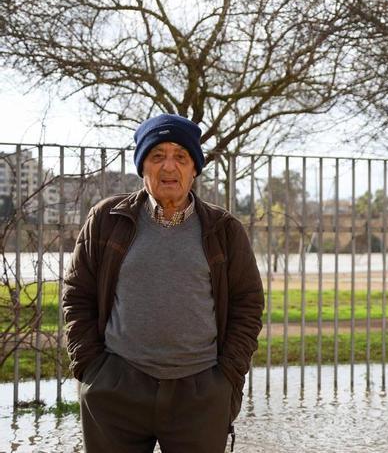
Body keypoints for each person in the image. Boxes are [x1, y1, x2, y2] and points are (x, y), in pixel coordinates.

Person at [62, 114, 265, 452]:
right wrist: (91, 369)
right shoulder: (106, 219)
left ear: (195, 169)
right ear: (143, 166)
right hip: (117, 388)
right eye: (157, 156)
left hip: (200, 394)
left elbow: (248, 304)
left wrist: (226, 379)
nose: (169, 166)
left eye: (181, 157)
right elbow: (77, 293)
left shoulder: (225, 230)